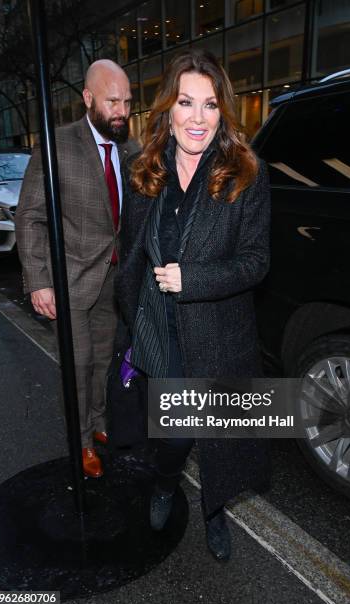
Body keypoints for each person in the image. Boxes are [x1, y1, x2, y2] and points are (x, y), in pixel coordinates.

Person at [114, 49, 271, 561]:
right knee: (178, 435)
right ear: (168, 110)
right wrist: (129, 322)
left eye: (209, 105)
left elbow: (255, 263)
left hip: (219, 331)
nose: (198, 117)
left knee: (221, 438)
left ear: (222, 111)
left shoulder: (245, 173)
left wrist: (193, 279)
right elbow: (132, 252)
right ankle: (165, 485)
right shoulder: (145, 174)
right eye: (186, 103)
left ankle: (214, 510)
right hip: (160, 331)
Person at [15, 59, 139, 478]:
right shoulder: (56, 145)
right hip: (68, 282)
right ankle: (81, 442)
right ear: (88, 99)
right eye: (112, 101)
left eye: (126, 101)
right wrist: (38, 282)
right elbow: (29, 216)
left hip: (113, 281)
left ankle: (99, 424)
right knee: (79, 365)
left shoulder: (131, 148)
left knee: (104, 361)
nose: (121, 110)